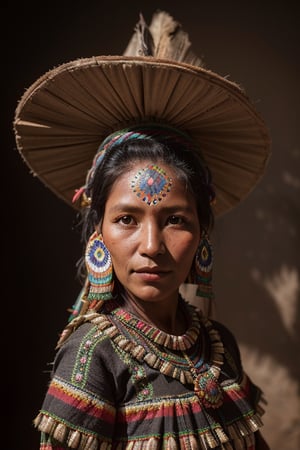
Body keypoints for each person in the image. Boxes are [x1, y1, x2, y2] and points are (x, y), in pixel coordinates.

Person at [13, 10, 271, 450]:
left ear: (202, 235)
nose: (152, 246)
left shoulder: (219, 346)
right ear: (99, 234)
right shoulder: (93, 355)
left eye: (175, 220)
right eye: (126, 219)